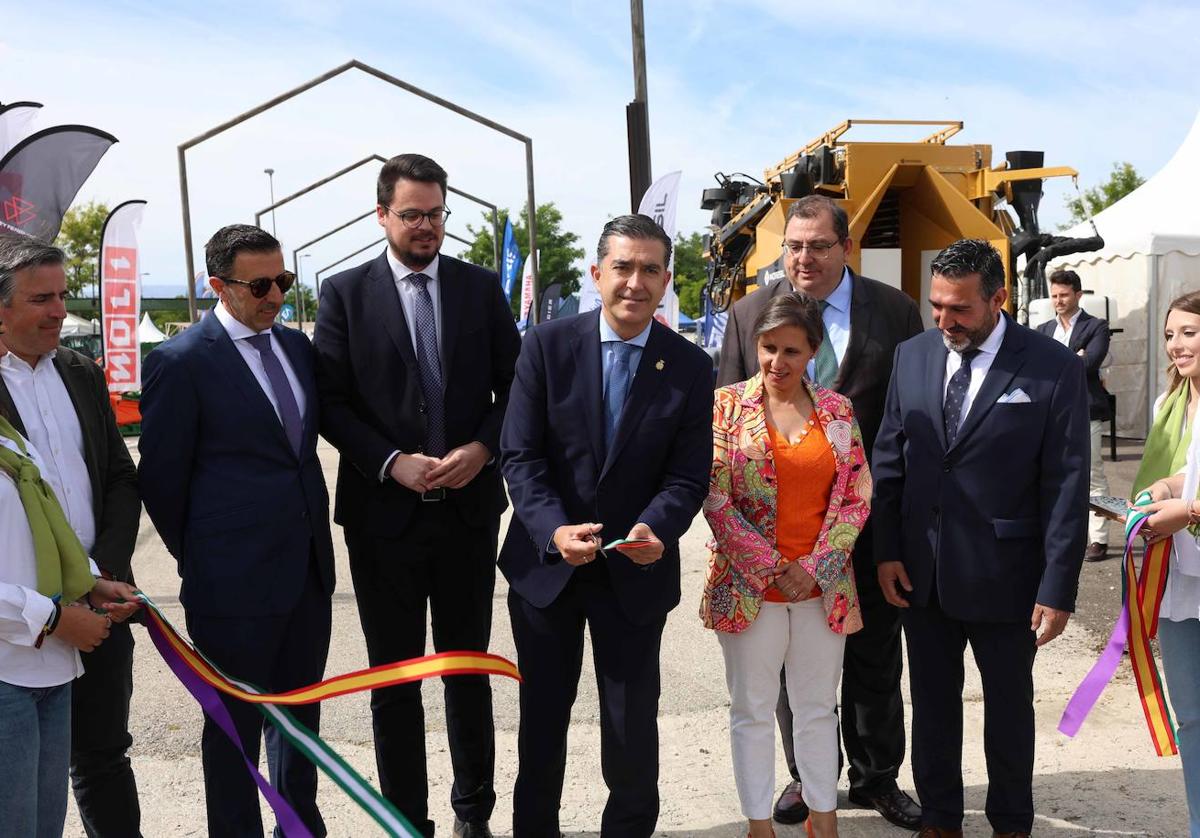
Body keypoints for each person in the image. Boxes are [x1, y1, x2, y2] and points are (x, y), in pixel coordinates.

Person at [314, 154, 520, 838]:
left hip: (466, 513)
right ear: (383, 215)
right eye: (412, 214)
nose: (427, 226)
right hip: (383, 519)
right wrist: (389, 461)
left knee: (467, 673)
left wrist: (483, 449)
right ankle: (407, 820)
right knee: (394, 679)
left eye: (437, 213)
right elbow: (332, 403)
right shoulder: (343, 294)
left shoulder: (479, 288)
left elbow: (515, 386)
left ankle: (473, 817)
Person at [500, 214, 712, 837]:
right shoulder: (545, 347)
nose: (635, 282)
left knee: (630, 722)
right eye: (623, 267)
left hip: (635, 572)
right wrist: (552, 530)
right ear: (598, 274)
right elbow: (521, 455)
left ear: (667, 280)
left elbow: (688, 476)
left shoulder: (690, 367)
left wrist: (657, 528)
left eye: (650, 269)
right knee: (542, 717)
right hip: (548, 569)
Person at [717, 195, 923, 829]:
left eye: (818, 246)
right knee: (786, 675)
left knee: (876, 657)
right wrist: (757, 551)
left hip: (866, 522)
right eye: (794, 246)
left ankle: (878, 776)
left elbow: (909, 417)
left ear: (846, 248)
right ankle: (810, 780)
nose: (804, 257)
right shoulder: (750, 311)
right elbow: (726, 424)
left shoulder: (895, 311)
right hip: (774, 545)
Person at [872, 238, 1088, 838]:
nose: (945, 321)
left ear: (1000, 298)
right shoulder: (912, 356)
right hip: (923, 572)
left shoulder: (1053, 366)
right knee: (933, 706)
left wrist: (1058, 585)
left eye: (959, 309)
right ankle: (940, 817)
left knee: (1008, 708)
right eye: (936, 306)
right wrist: (886, 549)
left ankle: (1011, 821)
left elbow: (1068, 483)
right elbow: (890, 459)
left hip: (1009, 576)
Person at [139, 224, 335, 837]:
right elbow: (164, 483)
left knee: (301, 720)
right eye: (260, 285)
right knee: (233, 729)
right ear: (217, 286)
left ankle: (299, 826)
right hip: (231, 587)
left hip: (306, 572)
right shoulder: (180, 362)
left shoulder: (297, 350)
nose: (275, 295)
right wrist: (207, 558)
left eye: (284, 281)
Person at [703, 292, 870, 838]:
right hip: (751, 587)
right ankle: (758, 825)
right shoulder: (725, 407)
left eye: (791, 351)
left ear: (813, 352)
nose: (778, 362)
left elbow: (856, 496)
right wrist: (773, 567)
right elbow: (714, 495)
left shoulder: (839, 412)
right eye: (768, 348)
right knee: (751, 709)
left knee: (818, 707)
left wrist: (816, 567)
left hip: (822, 588)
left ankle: (824, 819)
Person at [0, 233, 143, 837]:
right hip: (19, 625)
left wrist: (101, 570)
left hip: (97, 599)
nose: (60, 311)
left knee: (104, 754)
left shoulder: (81, 373)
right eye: (41, 299)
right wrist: (55, 607)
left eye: (63, 295)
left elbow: (118, 476)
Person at [1125, 290, 1200, 838]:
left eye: (1190, 333)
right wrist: (1164, 488)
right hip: (1178, 579)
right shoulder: (1167, 405)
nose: (1177, 344)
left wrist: (1189, 508)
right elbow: (1187, 472)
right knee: (1193, 719)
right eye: (1171, 334)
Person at [1036, 268, 1112, 561]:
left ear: (1078, 295)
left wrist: (1060, 363)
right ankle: (1063, 536)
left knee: (1092, 473)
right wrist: (1073, 357)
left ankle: (1099, 538)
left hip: (1086, 410)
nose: (1058, 300)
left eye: (1064, 294)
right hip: (1048, 413)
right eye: (1054, 295)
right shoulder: (1043, 330)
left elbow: (1091, 363)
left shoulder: (1097, 326)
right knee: (1053, 474)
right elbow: (1035, 367)